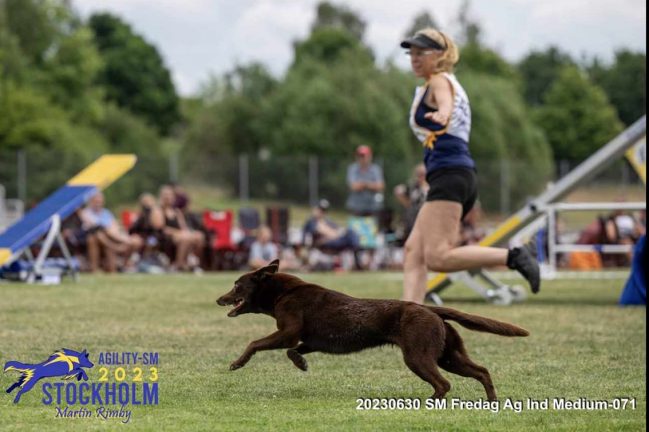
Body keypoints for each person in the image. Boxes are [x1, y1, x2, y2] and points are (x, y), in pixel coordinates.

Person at [400, 28, 539, 303]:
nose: (414, 58)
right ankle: (409, 319)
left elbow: (445, 105)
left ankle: (514, 256)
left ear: (439, 55)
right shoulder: (448, 81)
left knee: (438, 256)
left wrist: (442, 113)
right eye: (411, 53)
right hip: (453, 174)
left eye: (421, 52)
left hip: (451, 176)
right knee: (413, 251)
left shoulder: (439, 80)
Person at [80, 192, 142, 272]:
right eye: (96, 201)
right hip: (96, 237)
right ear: (91, 202)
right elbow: (96, 225)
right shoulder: (86, 212)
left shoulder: (106, 213)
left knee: (109, 233)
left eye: (100, 201)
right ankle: (124, 242)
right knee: (101, 234)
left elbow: (114, 225)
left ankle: (122, 257)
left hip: (110, 237)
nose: (98, 204)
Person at [153, 185, 205, 271]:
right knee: (185, 238)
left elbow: (183, 227)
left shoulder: (177, 212)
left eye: (170, 195)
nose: (168, 197)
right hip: (165, 236)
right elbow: (160, 228)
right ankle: (179, 264)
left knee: (199, 236)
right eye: (166, 195)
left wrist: (190, 233)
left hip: (179, 234)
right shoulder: (158, 210)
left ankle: (194, 263)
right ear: (161, 197)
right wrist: (179, 233)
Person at [394, 163, 429, 243]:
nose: (421, 177)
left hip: (427, 219)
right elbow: (398, 190)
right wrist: (407, 203)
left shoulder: (431, 186)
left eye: (423, 174)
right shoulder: (412, 186)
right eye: (419, 174)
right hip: (412, 219)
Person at [346, 145, 385, 216]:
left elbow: (381, 186)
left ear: (370, 156)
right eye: (360, 156)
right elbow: (353, 186)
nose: (362, 158)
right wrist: (371, 185)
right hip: (355, 207)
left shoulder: (376, 169)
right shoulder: (352, 168)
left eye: (364, 156)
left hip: (373, 207)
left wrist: (363, 184)